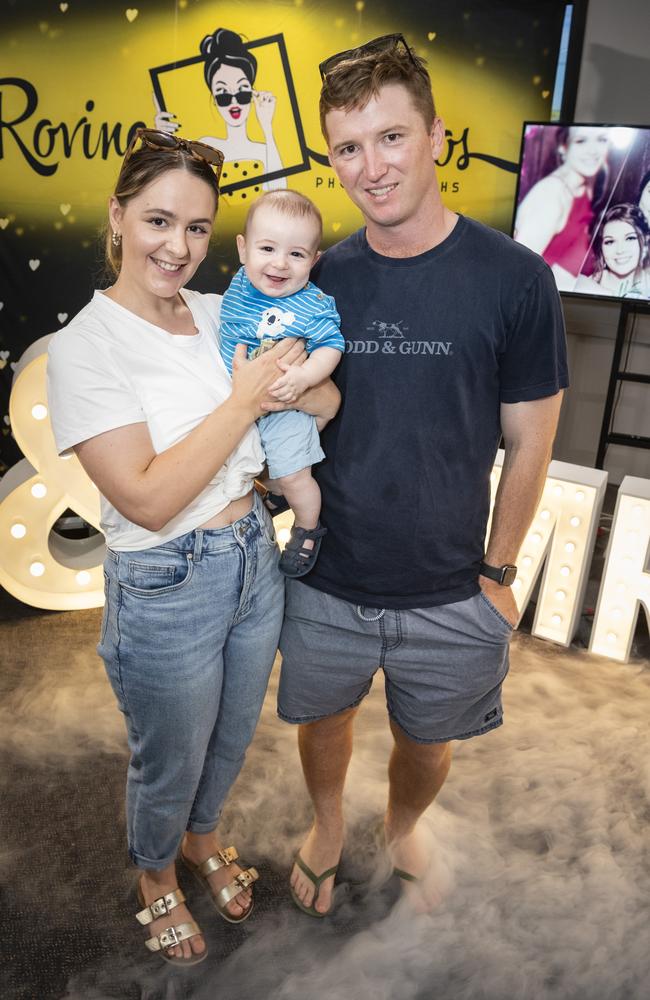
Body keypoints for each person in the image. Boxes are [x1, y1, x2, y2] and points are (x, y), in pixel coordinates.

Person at [274, 34, 568, 916]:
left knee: (426, 739)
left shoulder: (516, 279)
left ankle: (402, 826)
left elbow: (532, 438)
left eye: (392, 137)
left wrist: (499, 571)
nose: (372, 166)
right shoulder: (317, 278)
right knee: (323, 722)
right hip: (327, 572)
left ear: (437, 135)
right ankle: (327, 824)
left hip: (452, 588)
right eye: (349, 148)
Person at [46, 129, 339, 964]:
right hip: (168, 577)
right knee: (168, 756)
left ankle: (202, 839)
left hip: (255, 548)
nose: (179, 248)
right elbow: (145, 493)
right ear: (118, 217)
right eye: (159, 222)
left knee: (231, 736)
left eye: (199, 228)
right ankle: (154, 876)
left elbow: (327, 402)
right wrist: (249, 402)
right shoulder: (85, 347)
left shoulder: (225, 312)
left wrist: (299, 388)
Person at [220, 190, 345, 577]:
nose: (279, 264)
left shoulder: (314, 303)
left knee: (294, 475)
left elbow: (332, 346)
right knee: (254, 473)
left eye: (296, 254)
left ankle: (307, 528)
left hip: (285, 405)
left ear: (314, 260)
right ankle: (278, 496)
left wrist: (303, 378)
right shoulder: (239, 285)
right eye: (268, 248)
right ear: (243, 249)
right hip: (236, 405)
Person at [154, 27, 286, 200]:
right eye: (223, 94)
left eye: (242, 91)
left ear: (253, 94)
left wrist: (267, 128)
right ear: (214, 99)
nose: (234, 102)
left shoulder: (264, 151)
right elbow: (174, 191)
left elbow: (280, 194)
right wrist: (162, 144)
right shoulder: (204, 147)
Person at [514, 125, 610, 290]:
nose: (593, 150)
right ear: (563, 148)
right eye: (581, 141)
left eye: (601, 139)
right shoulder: (551, 193)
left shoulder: (585, 188)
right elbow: (516, 270)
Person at [574, 203, 650, 299]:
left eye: (630, 238)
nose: (620, 250)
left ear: (645, 241)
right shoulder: (582, 286)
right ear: (601, 248)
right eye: (610, 242)